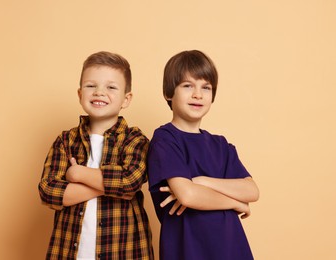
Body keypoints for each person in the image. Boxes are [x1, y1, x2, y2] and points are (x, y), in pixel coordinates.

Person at [39, 51, 154, 260]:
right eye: (91, 86)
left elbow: (129, 182)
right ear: (80, 93)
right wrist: (110, 187)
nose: (99, 92)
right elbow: (49, 191)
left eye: (111, 87)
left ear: (126, 99)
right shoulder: (66, 141)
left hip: (124, 251)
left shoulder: (135, 140)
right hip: (69, 251)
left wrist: (78, 174)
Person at [148, 50, 259, 260]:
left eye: (205, 87)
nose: (198, 94)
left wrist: (202, 181)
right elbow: (188, 195)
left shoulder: (221, 145)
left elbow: (251, 190)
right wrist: (236, 203)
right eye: (188, 86)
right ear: (168, 93)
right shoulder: (165, 139)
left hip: (231, 248)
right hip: (187, 250)